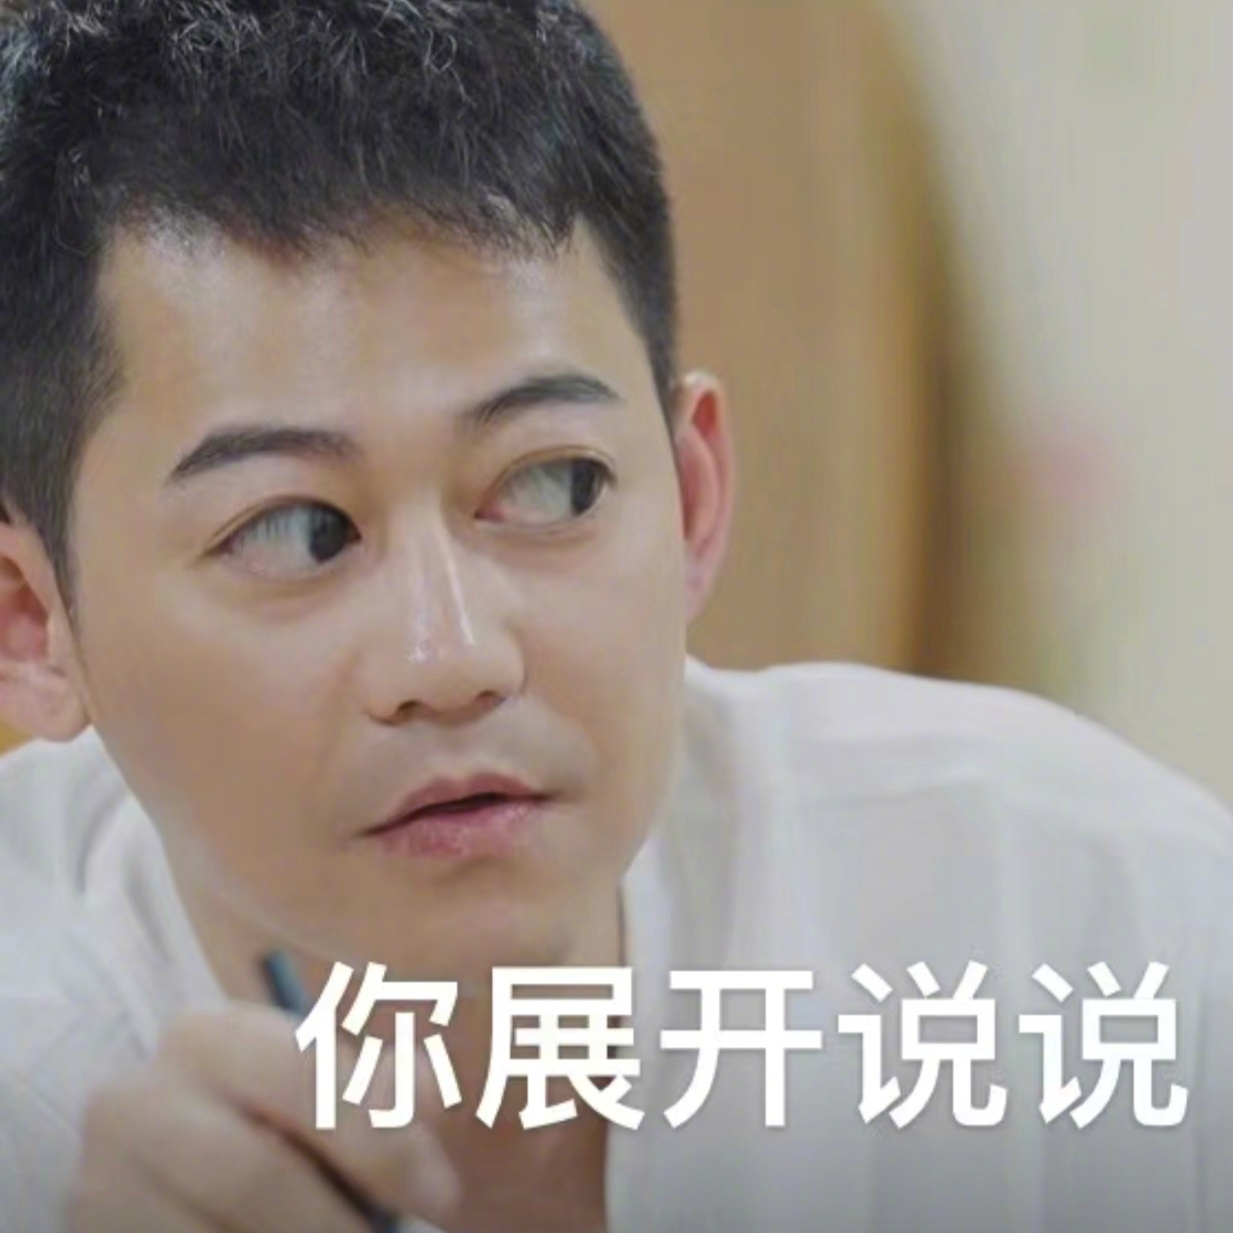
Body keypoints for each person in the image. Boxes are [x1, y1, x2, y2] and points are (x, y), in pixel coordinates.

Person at [0, 2, 1229, 1231]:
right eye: (296, 533)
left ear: (693, 500)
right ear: (32, 621)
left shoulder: (1083, 919)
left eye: (554, 485)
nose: (453, 657)